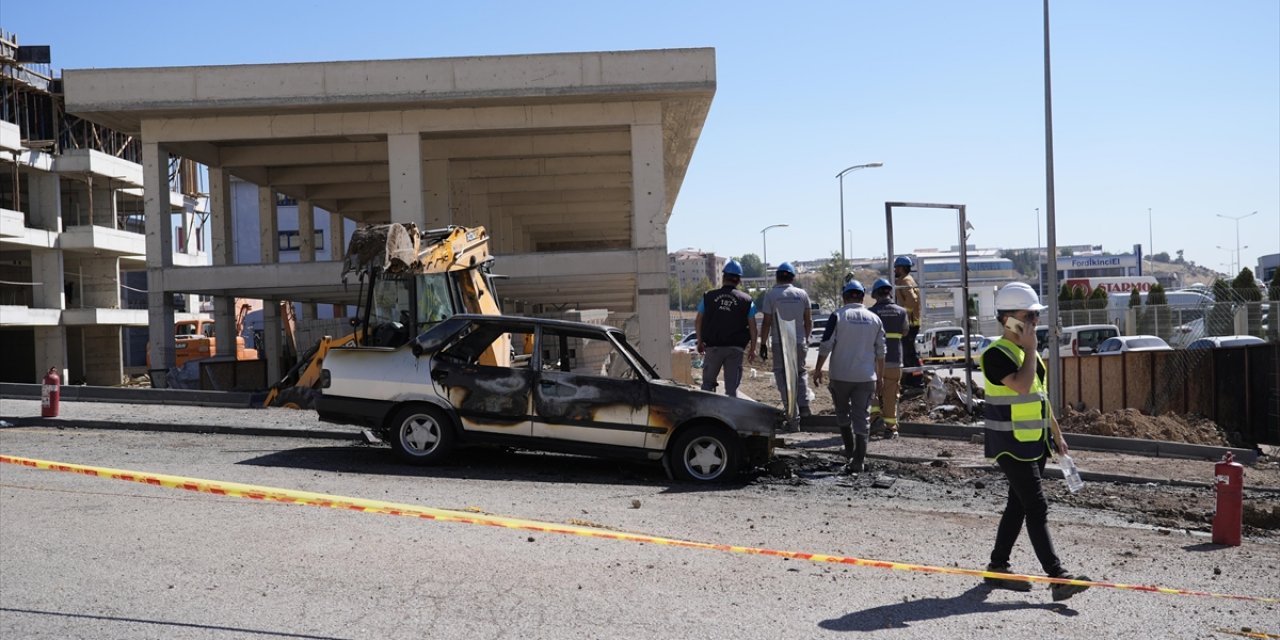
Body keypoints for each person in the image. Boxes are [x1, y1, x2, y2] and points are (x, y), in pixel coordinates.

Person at [980, 281, 1091, 601]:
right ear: (1007, 319)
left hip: (1034, 440)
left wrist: (1056, 434)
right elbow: (1023, 387)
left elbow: (1040, 397)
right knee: (1036, 505)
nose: (1034, 321)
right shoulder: (995, 354)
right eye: (1028, 316)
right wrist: (1030, 348)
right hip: (1009, 443)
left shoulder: (1025, 352)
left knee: (1017, 505)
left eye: (1035, 316)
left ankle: (997, 567)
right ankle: (1058, 577)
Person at [811, 280, 885, 472]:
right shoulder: (874, 319)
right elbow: (881, 352)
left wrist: (818, 368)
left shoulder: (838, 315)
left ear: (845, 296)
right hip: (866, 377)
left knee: (843, 414)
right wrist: (881, 377)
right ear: (862, 296)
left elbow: (826, 344)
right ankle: (858, 460)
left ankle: (850, 452)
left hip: (841, 376)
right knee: (862, 418)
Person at [758, 262, 813, 423]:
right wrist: (805, 339)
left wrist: (763, 344)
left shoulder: (771, 295)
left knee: (782, 376)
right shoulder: (802, 294)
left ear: (777, 277)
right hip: (799, 341)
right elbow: (808, 320)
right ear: (793, 277)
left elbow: (767, 322)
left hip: (780, 343)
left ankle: (791, 412)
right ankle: (804, 407)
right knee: (800, 373)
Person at [695, 260, 757, 397]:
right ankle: (730, 415)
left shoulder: (708, 297)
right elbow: (753, 327)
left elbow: (698, 320)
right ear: (739, 280)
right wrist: (753, 348)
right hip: (735, 350)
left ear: (723, 277)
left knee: (707, 386)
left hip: (713, 348)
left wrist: (700, 341)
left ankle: (706, 414)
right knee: (731, 390)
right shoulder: (747, 300)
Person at [868, 278, 908, 439]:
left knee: (872, 392)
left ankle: (875, 419)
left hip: (874, 361)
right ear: (890, 292)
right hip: (895, 360)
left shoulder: (871, 312)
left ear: (876, 294)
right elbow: (905, 331)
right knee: (891, 394)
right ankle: (891, 428)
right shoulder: (901, 311)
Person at [893, 256, 924, 388]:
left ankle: (916, 381)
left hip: (910, 323)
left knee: (909, 353)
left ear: (902, 268)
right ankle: (912, 380)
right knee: (908, 352)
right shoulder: (905, 280)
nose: (895, 269)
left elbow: (912, 299)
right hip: (911, 322)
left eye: (897, 267)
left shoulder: (905, 281)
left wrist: (903, 313)